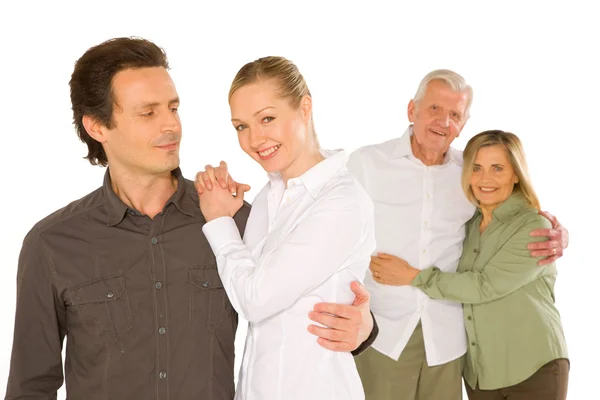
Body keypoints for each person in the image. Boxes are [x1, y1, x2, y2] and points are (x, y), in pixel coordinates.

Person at [4, 38, 376, 400]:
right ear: (97, 127)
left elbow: (299, 294)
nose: (171, 126)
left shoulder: (232, 221)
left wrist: (365, 329)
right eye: (148, 113)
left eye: (173, 108)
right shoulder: (52, 244)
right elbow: (31, 386)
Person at [349, 70, 569, 400]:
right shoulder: (367, 163)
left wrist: (558, 232)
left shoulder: (467, 173)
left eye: (455, 114)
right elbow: (330, 223)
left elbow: (509, 216)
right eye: (435, 109)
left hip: (448, 338)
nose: (443, 121)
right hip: (384, 330)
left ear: (463, 124)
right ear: (412, 110)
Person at [194, 56, 376, 400]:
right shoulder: (267, 197)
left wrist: (218, 221)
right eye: (241, 126)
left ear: (304, 108)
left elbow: (255, 300)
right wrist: (232, 214)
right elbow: (241, 284)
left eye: (267, 118)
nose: (254, 139)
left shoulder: (342, 203)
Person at [390, 130, 569, 399]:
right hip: (481, 373)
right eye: (476, 168)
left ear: (516, 174)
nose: (485, 179)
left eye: (498, 168)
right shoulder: (469, 224)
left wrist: (414, 276)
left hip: (533, 367)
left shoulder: (534, 227)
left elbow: (484, 286)